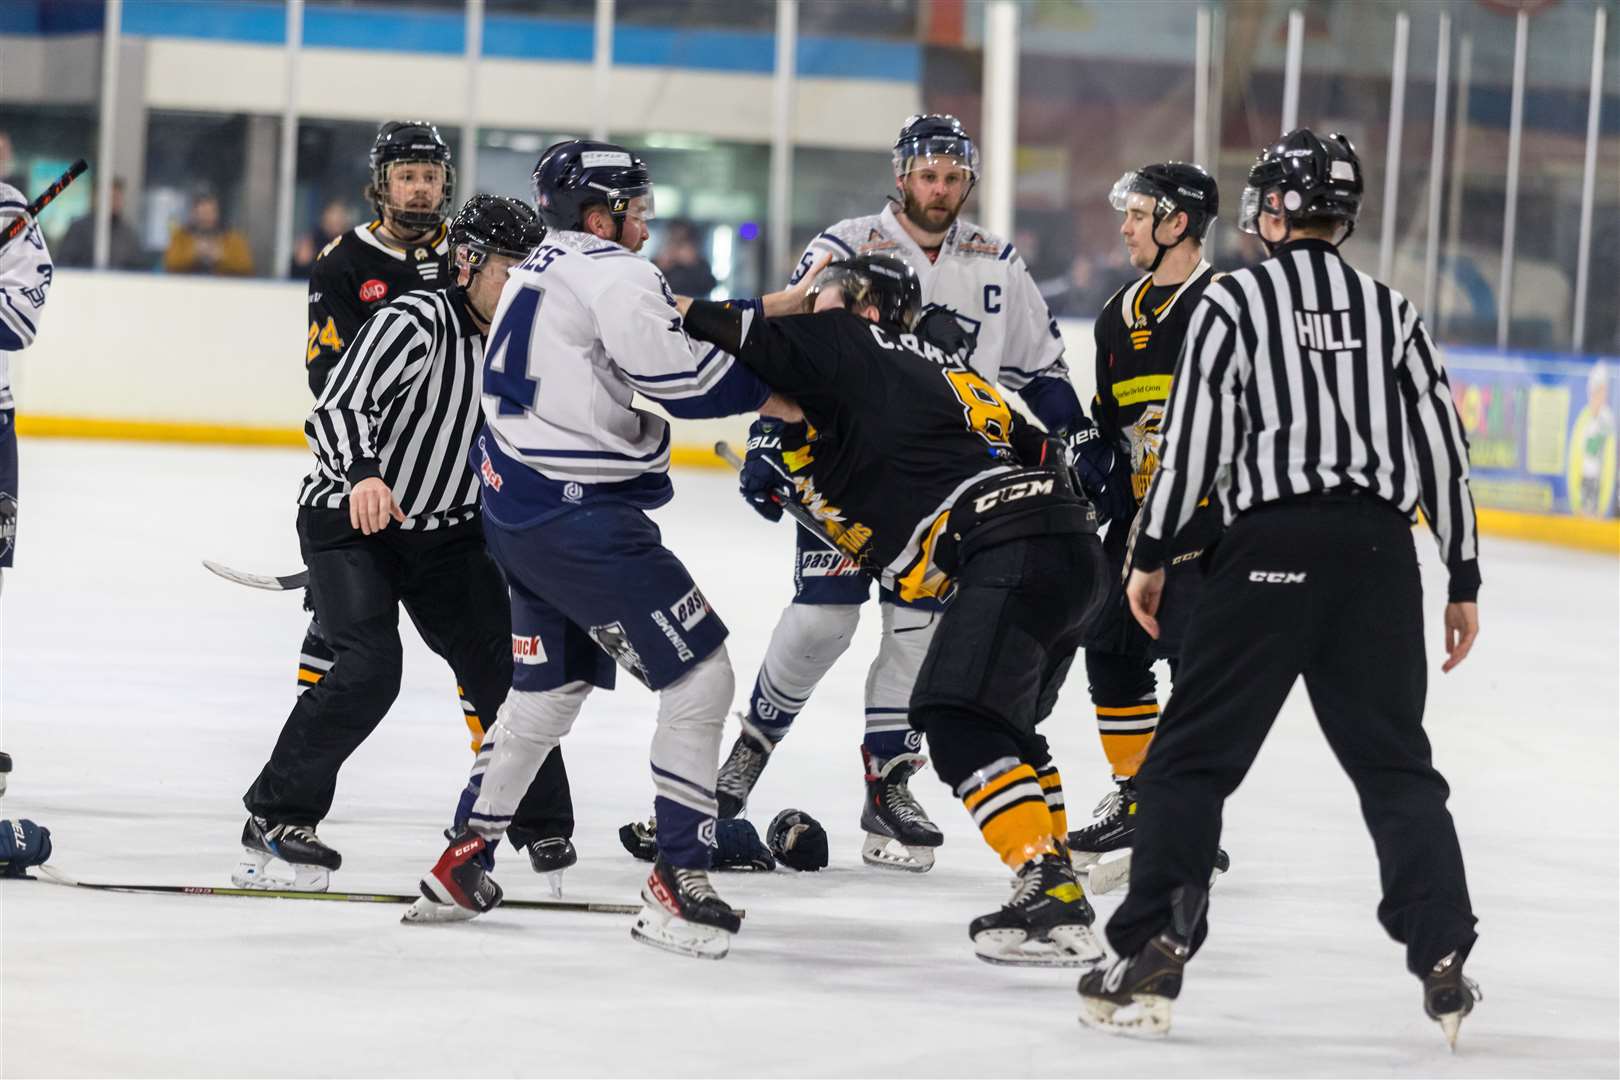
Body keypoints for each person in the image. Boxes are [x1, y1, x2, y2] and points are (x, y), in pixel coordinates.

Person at [1076, 130, 1483, 1048]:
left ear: (1271, 211)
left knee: (1190, 757)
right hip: (1379, 557)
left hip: (1267, 549)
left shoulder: (1237, 301)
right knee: (1395, 767)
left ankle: (1149, 951)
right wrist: (1462, 573)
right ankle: (1444, 953)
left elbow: (1194, 443)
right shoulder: (1392, 310)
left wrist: (1150, 553)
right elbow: (1441, 453)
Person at [411, 141, 791, 961]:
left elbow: (653, 318)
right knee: (702, 674)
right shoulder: (614, 273)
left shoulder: (545, 262)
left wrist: (769, 310)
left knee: (548, 692)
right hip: (580, 521)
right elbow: (683, 379)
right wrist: (784, 398)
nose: (647, 222)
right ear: (597, 214)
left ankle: (463, 855)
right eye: (636, 208)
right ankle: (676, 876)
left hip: (515, 505)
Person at [678, 253, 1110, 965]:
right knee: (1011, 733)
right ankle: (1056, 886)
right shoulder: (944, 366)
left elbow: (713, 326)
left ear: (865, 307)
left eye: (824, 297)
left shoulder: (842, 336)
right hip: (1069, 552)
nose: (813, 306)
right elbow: (1039, 451)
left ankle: (1048, 885)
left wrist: (773, 302)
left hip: (1005, 548)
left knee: (957, 721)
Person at [715, 113, 1084, 873]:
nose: (940, 189)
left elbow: (1041, 369)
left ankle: (889, 781)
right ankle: (740, 767)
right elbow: (791, 353)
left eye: (953, 177)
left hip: (941, 483)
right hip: (841, 466)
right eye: (927, 175)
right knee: (821, 622)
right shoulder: (843, 246)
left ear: (967, 182)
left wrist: (1073, 439)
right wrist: (765, 440)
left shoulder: (997, 260)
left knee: (918, 631)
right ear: (901, 175)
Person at [237, 195, 573, 893]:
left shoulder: (530, 339)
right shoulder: (412, 320)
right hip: (351, 522)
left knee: (504, 670)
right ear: (468, 263)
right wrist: (363, 473)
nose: (527, 284)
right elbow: (337, 407)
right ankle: (276, 814)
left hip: (448, 535)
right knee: (370, 667)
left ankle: (539, 823)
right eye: (514, 268)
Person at [1064, 162, 1228, 890]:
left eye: (1137, 214)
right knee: (1110, 650)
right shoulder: (1115, 315)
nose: (1124, 226)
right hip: (1137, 524)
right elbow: (1111, 421)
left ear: (1177, 223)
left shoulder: (1228, 306)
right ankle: (1140, 796)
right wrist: (1094, 453)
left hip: (1213, 529)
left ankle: (1187, 812)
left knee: (1200, 671)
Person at [55, 177, 145, 270]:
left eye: (117, 197)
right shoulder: (79, 229)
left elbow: (138, 267)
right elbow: (64, 264)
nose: (114, 202)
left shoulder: (127, 233)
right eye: (111, 197)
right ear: (95, 198)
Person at [163, 190, 253, 276]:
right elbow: (169, 264)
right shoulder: (180, 237)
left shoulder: (232, 238)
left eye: (210, 213)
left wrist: (221, 257)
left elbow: (247, 267)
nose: (206, 218)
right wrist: (194, 254)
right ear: (194, 214)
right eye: (202, 213)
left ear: (217, 214)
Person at [290, 198, 356, 279]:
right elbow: (295, 277)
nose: (337, 219)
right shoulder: (312, 241)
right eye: (334, 213)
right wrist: (300, 263)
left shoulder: (351, 243)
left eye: (341, 214)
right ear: (325, 216)